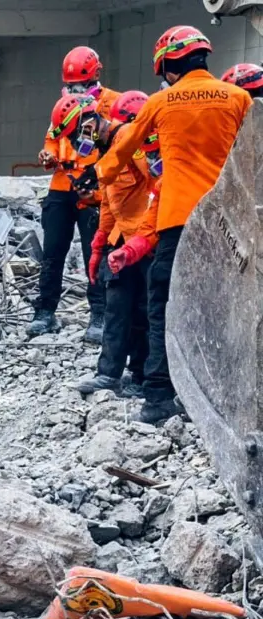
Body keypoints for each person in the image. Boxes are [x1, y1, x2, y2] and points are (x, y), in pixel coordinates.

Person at [77, 25, 252, 424]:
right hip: (227, 220)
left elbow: (124, 144)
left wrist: (97, 176)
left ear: (169, 65)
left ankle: (158, 397)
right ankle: (225, 397)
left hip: (177, 220)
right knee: (227, 308)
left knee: (164, 307)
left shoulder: (162, 101)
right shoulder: (239, 98)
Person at [31, 46, 119, 341]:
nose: (74, 90)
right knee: (53, 252)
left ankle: (98, 315)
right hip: (61, 186)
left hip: (93, 189)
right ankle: (44, 312)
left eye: (79, 85)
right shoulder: (64, 104)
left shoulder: (112, 103)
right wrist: (48, 154)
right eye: (70, 86)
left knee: (93, 252)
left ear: (95, 76)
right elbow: (53, 137)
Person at [76, 90, 157, 399]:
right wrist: (99, 245)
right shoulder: (108, 155)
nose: (87, 135)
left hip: (145, 242)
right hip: (120, 243)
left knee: (144, 312)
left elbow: (156, 188)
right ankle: (108, 374)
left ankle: (141, 375)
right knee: (116, 310)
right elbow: (110, 202)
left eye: (90, 127)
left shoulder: (131, 147)